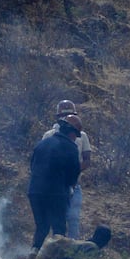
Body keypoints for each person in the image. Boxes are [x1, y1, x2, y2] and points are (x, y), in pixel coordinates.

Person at [28, 116, 83, 254]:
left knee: (42, 226)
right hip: (56, 193)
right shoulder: (71, 147)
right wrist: (69, 188)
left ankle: (34, 252)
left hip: (35, 191)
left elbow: (32, 166)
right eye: (75, 135)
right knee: (58, 228)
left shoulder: (43, 143)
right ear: (71, 132)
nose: (75, 138)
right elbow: (73, 174)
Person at [42, 102, 95, 240]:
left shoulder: (81, 136)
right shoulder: (49, 135)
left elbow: (87, 160)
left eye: (69, 115)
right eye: (63, 116)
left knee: (73, 219)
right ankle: (55, 250)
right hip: (55, 185)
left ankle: (72, 254)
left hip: (73, 184)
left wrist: (73, 172)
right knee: (56, 219)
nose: (66, 118)